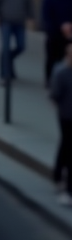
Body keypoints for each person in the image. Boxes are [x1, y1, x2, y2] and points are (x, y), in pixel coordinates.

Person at [50, 43, 72, 206]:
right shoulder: (61, 73)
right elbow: (55, 95)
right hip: (66, 116)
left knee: (65, 145)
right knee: (68, 147)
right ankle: (66, 186)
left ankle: (58, 174)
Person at [42, 0, 72, 86]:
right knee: (52, 59)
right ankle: (50, 81)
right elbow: (47, 18)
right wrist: (61, 27)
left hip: (69, 35)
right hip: (54, 35)